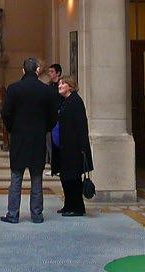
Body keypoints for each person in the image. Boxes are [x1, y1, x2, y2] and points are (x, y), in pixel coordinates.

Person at [0, 57, 57, 224]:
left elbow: (5, 113)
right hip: (38, 139)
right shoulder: (46, 90)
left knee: (16, 178)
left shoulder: (14, 89)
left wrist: (12, 129)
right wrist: (44, 128)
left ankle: (13, 214)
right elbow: (53, 116)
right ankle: (37, 215)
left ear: (23, 70)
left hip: (19, 138)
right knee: (37, 178)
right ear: (37, 70)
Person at [54, 76, 93, 217]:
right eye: (59, 83)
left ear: (70, 86)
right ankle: (68, 205)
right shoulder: (64, 101)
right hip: (65, 147)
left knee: (73, 178)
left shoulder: (76, 101)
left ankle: (77, 207)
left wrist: (83, 148)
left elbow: (81, 126)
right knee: (65, 178)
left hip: (74, 148)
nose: (60, 85)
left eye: (63, 83)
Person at [44, 64, 64, 178]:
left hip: (59, 118)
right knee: (50, 143)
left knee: (58, 143)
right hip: (50, 118)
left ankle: (59, 167)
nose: (50, 74)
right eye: (49, 71)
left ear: (58, 73)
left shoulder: (61, 86)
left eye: (52, 71)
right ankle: (54, 167)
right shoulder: (49, 86)